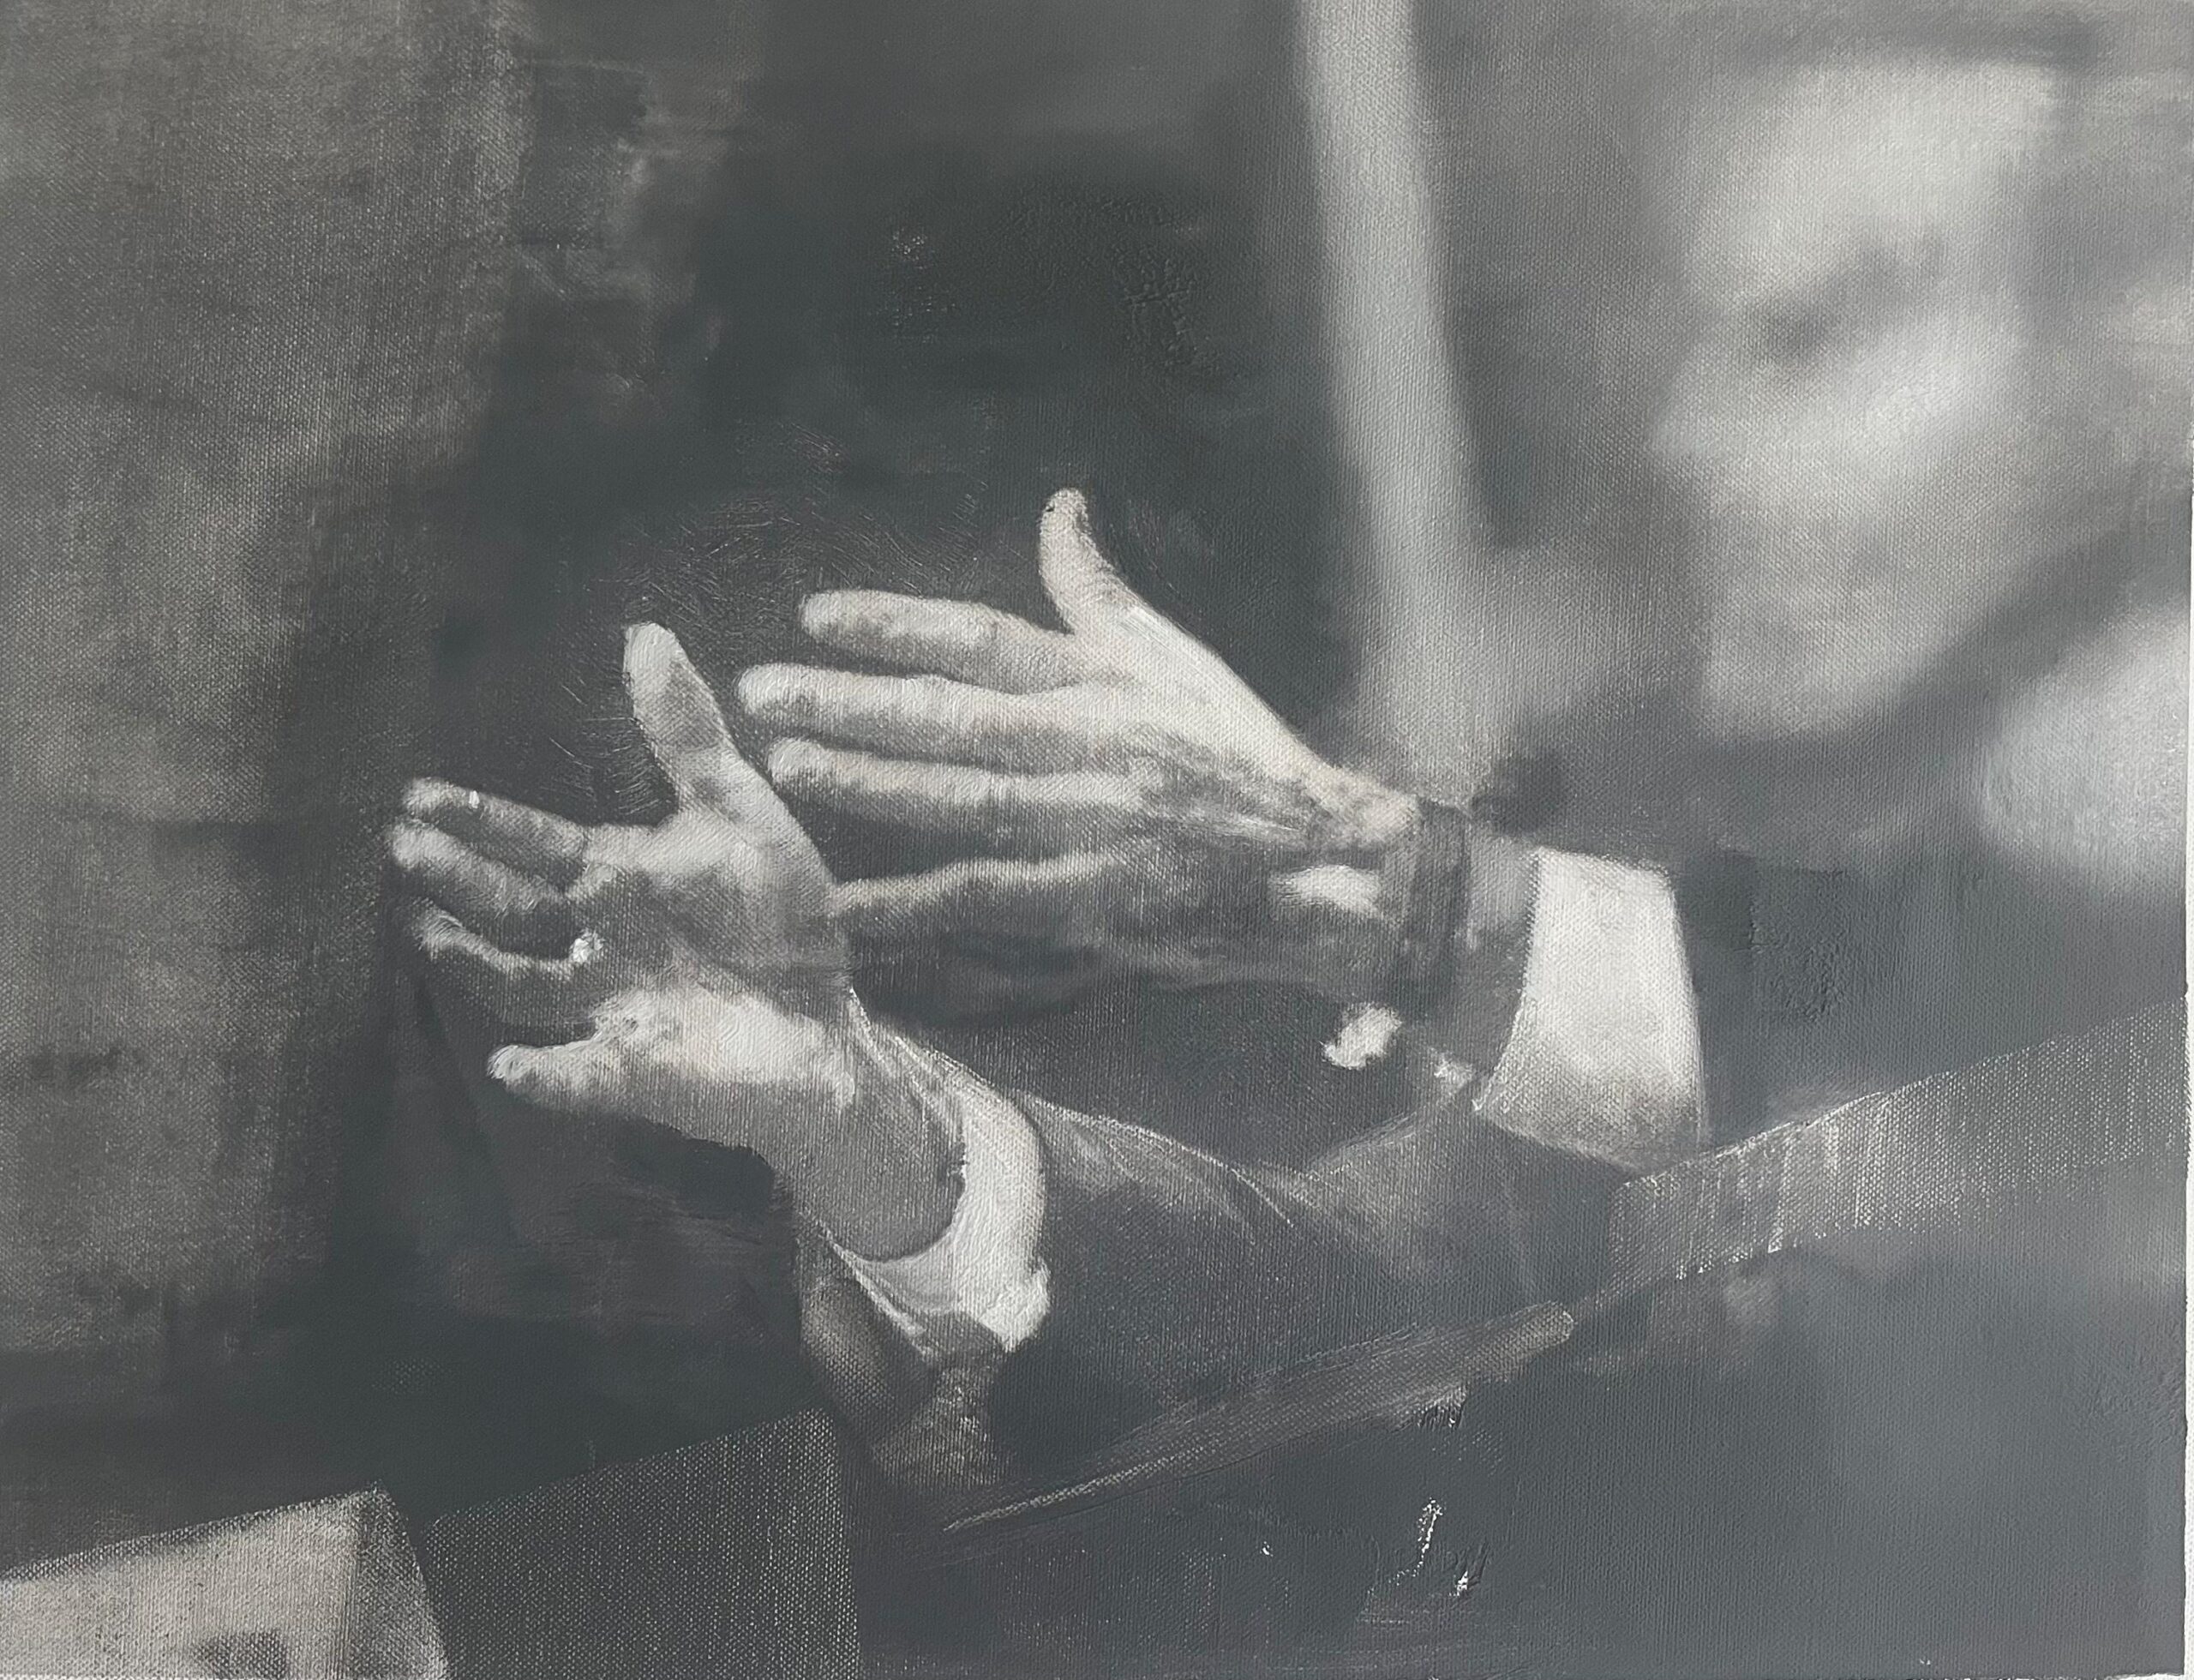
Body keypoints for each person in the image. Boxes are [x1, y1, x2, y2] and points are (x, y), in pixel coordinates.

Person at [385, 0, 2185, 1666]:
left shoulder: (2066, 961)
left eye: (1814, 329)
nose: (1688, 441)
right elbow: (1337, 1292)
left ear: (2147, 357)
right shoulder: (1782, 936)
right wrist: (863, 1113)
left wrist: (1402, 900)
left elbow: (2038, 1200)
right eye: (1701, 342)